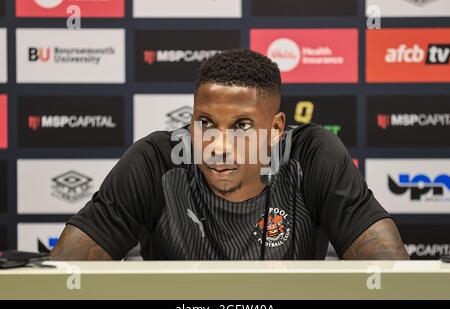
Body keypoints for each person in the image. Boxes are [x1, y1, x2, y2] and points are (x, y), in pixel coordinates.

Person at [51, 49, 409, 260]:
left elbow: (391, 272)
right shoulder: (155, 160)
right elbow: (62, 279)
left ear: (276, 129)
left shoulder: (313, 156)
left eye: (241, 126)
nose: (219, 145)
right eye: (205, 122)